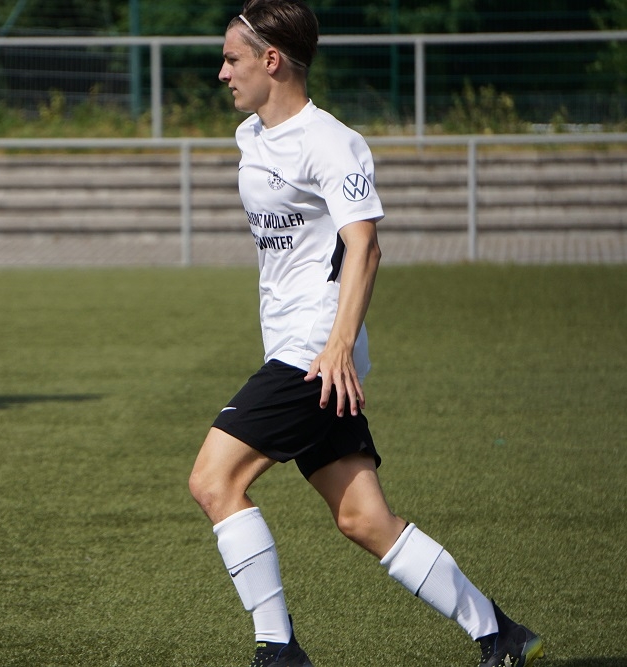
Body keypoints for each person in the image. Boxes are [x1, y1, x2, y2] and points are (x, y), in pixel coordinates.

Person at [187, 2, 544, 666]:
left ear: (272, 60)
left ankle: (278, 651)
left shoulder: (333, 142)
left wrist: (339, 344)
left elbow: (365, 246)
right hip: (299, 348)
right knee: (363, 518)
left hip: (316, 353)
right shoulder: (252, 137)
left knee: (213, 480)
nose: (222, 73)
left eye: (232, 59)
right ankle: (502, 634)